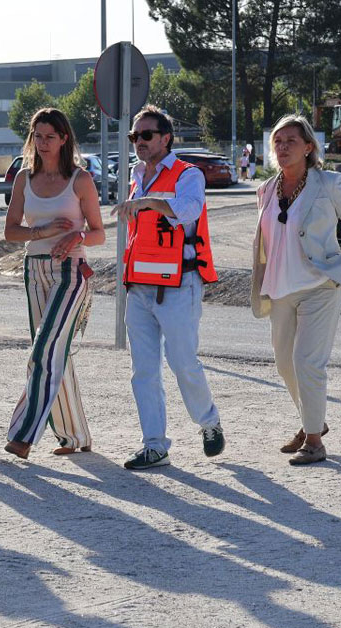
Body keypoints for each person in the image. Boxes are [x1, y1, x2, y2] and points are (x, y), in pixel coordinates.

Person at [250, 114, 341, 465]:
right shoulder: (265, 190)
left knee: (307, 361)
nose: (283, 146)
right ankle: (313, 423)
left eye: (291, 140)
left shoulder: (328, 184)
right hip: (279, 288)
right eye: (278, 141)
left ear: (308, 147)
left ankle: (314, 441)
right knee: (284, 365)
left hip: (321, 285)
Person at [113, 105, 225, 470]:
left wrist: (148, 202)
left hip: (179, 285)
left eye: (146, 135)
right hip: (140, 287)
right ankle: (154, 445)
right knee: (143, 370)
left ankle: (209, 422)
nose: (139, 142)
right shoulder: (134, 173)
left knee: (182, 362)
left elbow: (189, 210)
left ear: (165, 138)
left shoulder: (187, 174)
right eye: (134, 136)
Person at [2, 109, 106, 459]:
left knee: (44, 349)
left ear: (64, 139)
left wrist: (76, 234)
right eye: (38, 136)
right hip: (34, 270)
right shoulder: (22, 179)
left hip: (71, 271)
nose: (43, 143)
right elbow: (10, 231)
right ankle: (76, 436)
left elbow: (99, 234)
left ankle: (23, 434)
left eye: (50, 136)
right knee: (55, 352)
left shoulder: (81, 180)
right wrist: (41, 232)